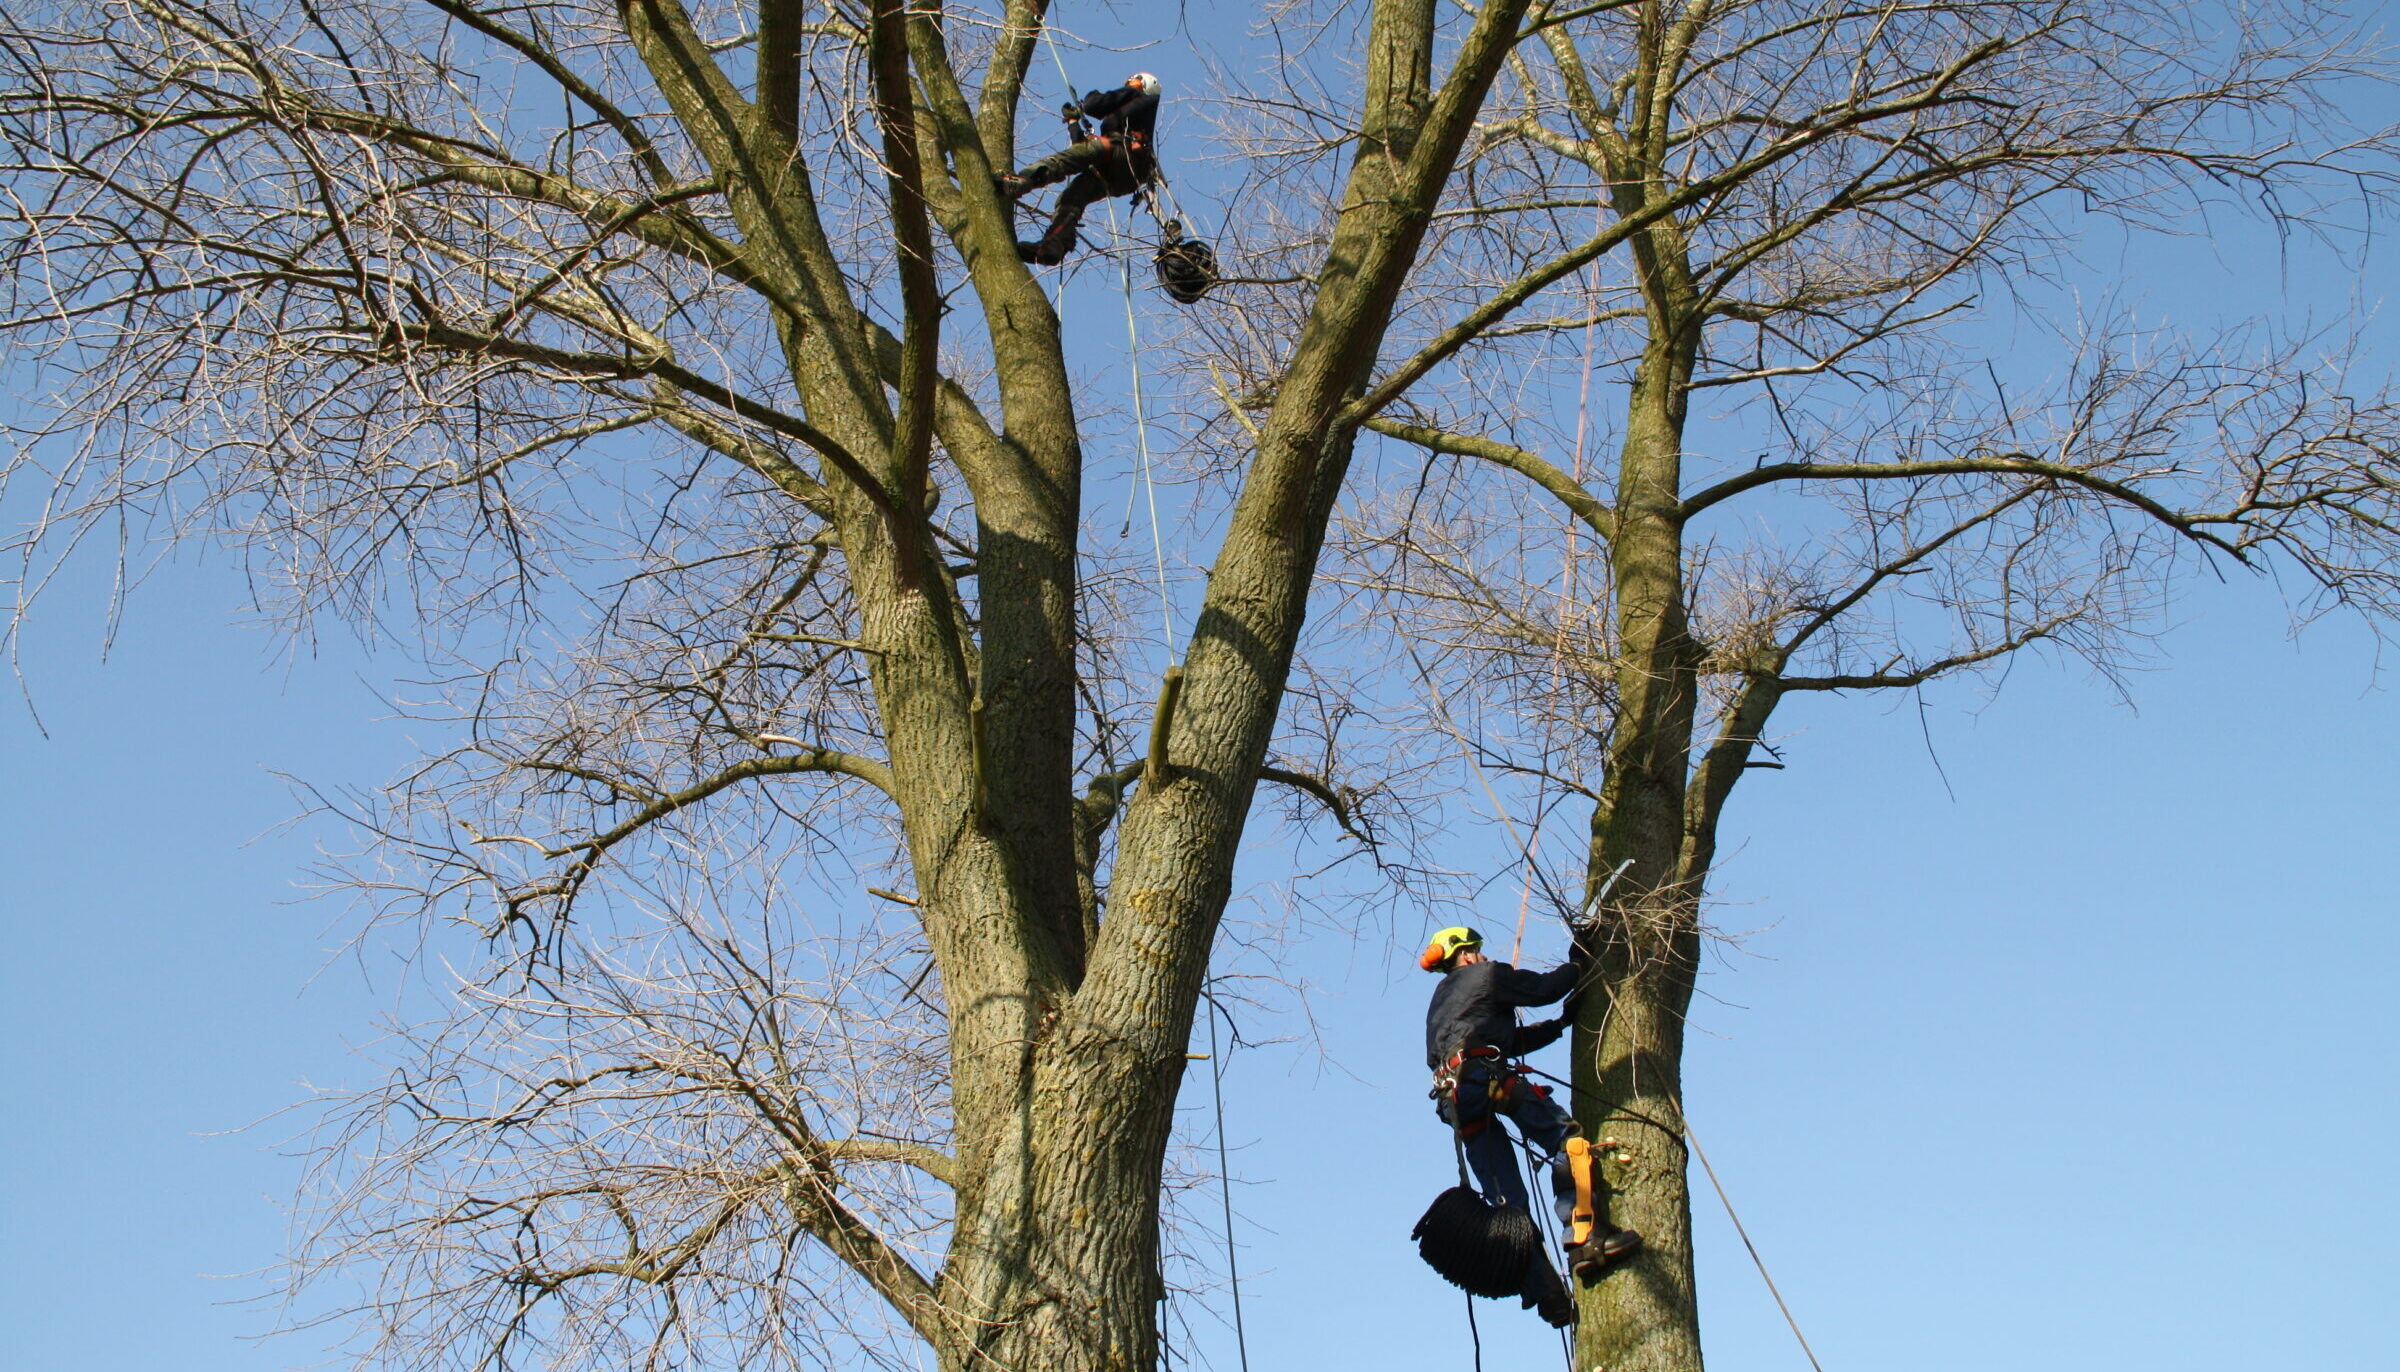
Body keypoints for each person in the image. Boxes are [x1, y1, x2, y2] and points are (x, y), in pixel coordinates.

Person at [1421, 925, 1643, 1324]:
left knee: (1509, 1206)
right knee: (1567, 1141)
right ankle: (1585, 1238)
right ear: (1467, 955)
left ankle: (1546, 1295)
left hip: (1457, 1103)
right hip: (1482, 1080)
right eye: (1480, 951)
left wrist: (1559, 1026)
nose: (1485, 957)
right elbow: (1543, 989)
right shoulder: (1485, 976)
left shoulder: (1441, 1003)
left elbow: (1504, 1040)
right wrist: (1579, 963)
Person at [997, 72, 1162, 265]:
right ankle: (1052, 247)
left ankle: (1025, 180)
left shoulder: (1140, 95)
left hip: (1123, 156)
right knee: (1072, 197)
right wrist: (1073, 123)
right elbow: (1082, 151)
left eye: (1132, 80)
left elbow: (1095, 105)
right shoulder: (1135, 115)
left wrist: (1085, 103)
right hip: (1122, 177)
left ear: (1143, 83)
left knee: (1066, 159)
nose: (1127, 82)